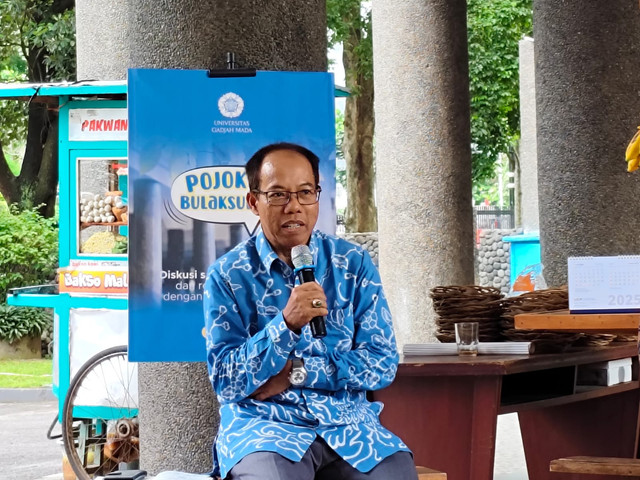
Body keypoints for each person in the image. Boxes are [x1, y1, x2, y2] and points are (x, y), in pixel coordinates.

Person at [202, 142, 417, 480]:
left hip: (348, 425)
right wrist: (285, 324)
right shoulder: (228, 275)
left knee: (396, 475)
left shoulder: (352, 264)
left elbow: (382, 363)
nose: (293, 207)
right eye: (277, 195)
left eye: (305, 192)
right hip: (266, 429)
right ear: (253, 202)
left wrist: (296, 372)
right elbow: (226, 382)